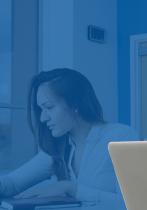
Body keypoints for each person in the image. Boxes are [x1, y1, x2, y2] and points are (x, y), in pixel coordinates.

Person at [0, 68, 136, 207]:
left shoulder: (121, 136)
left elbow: (135, 204)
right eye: (41, 109)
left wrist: (71, 188)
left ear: (75, 103)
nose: (42, 118)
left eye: (49, 107)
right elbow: (12, 184)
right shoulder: (58, 149)